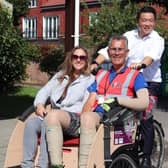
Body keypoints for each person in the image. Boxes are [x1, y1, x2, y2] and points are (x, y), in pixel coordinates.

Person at [91, 6, 165, 168]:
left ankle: (145, 157)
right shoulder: (129, 36)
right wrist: (95, 63)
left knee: (145, 114)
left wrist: (140, 65)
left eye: (151, 21)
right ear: (138, 21)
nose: (147, 24)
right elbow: (108, 50)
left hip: (149, 82)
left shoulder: (157, 40)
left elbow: (151, 57)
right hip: (127, 79)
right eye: (144, 20)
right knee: (117, 110)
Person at [79, 35, 149, 168]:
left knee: (88, 119)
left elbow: (144, 102)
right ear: (108, 52)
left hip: (119, 121)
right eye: (113, 49)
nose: (116, 53)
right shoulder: (101, 75)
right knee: (84, 118)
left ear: (127, 53)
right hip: (98, 117)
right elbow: (90, 102)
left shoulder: (134, 75)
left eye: (120, 49)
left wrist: (119, 100)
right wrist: (80, 120)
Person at [21, 46, 95, 168]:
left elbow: (87, 106)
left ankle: (43, 165)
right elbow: (44, 91)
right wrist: (39, 104)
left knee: (49, 121)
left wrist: (60, 114)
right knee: (31, 124)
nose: (78, 60)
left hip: (74, 120)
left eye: (82, 57)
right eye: (75, 57)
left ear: (86, 61)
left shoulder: (90, 80)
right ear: (70, 59)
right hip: (54, 116)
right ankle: (26, 165)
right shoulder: (60, 76)